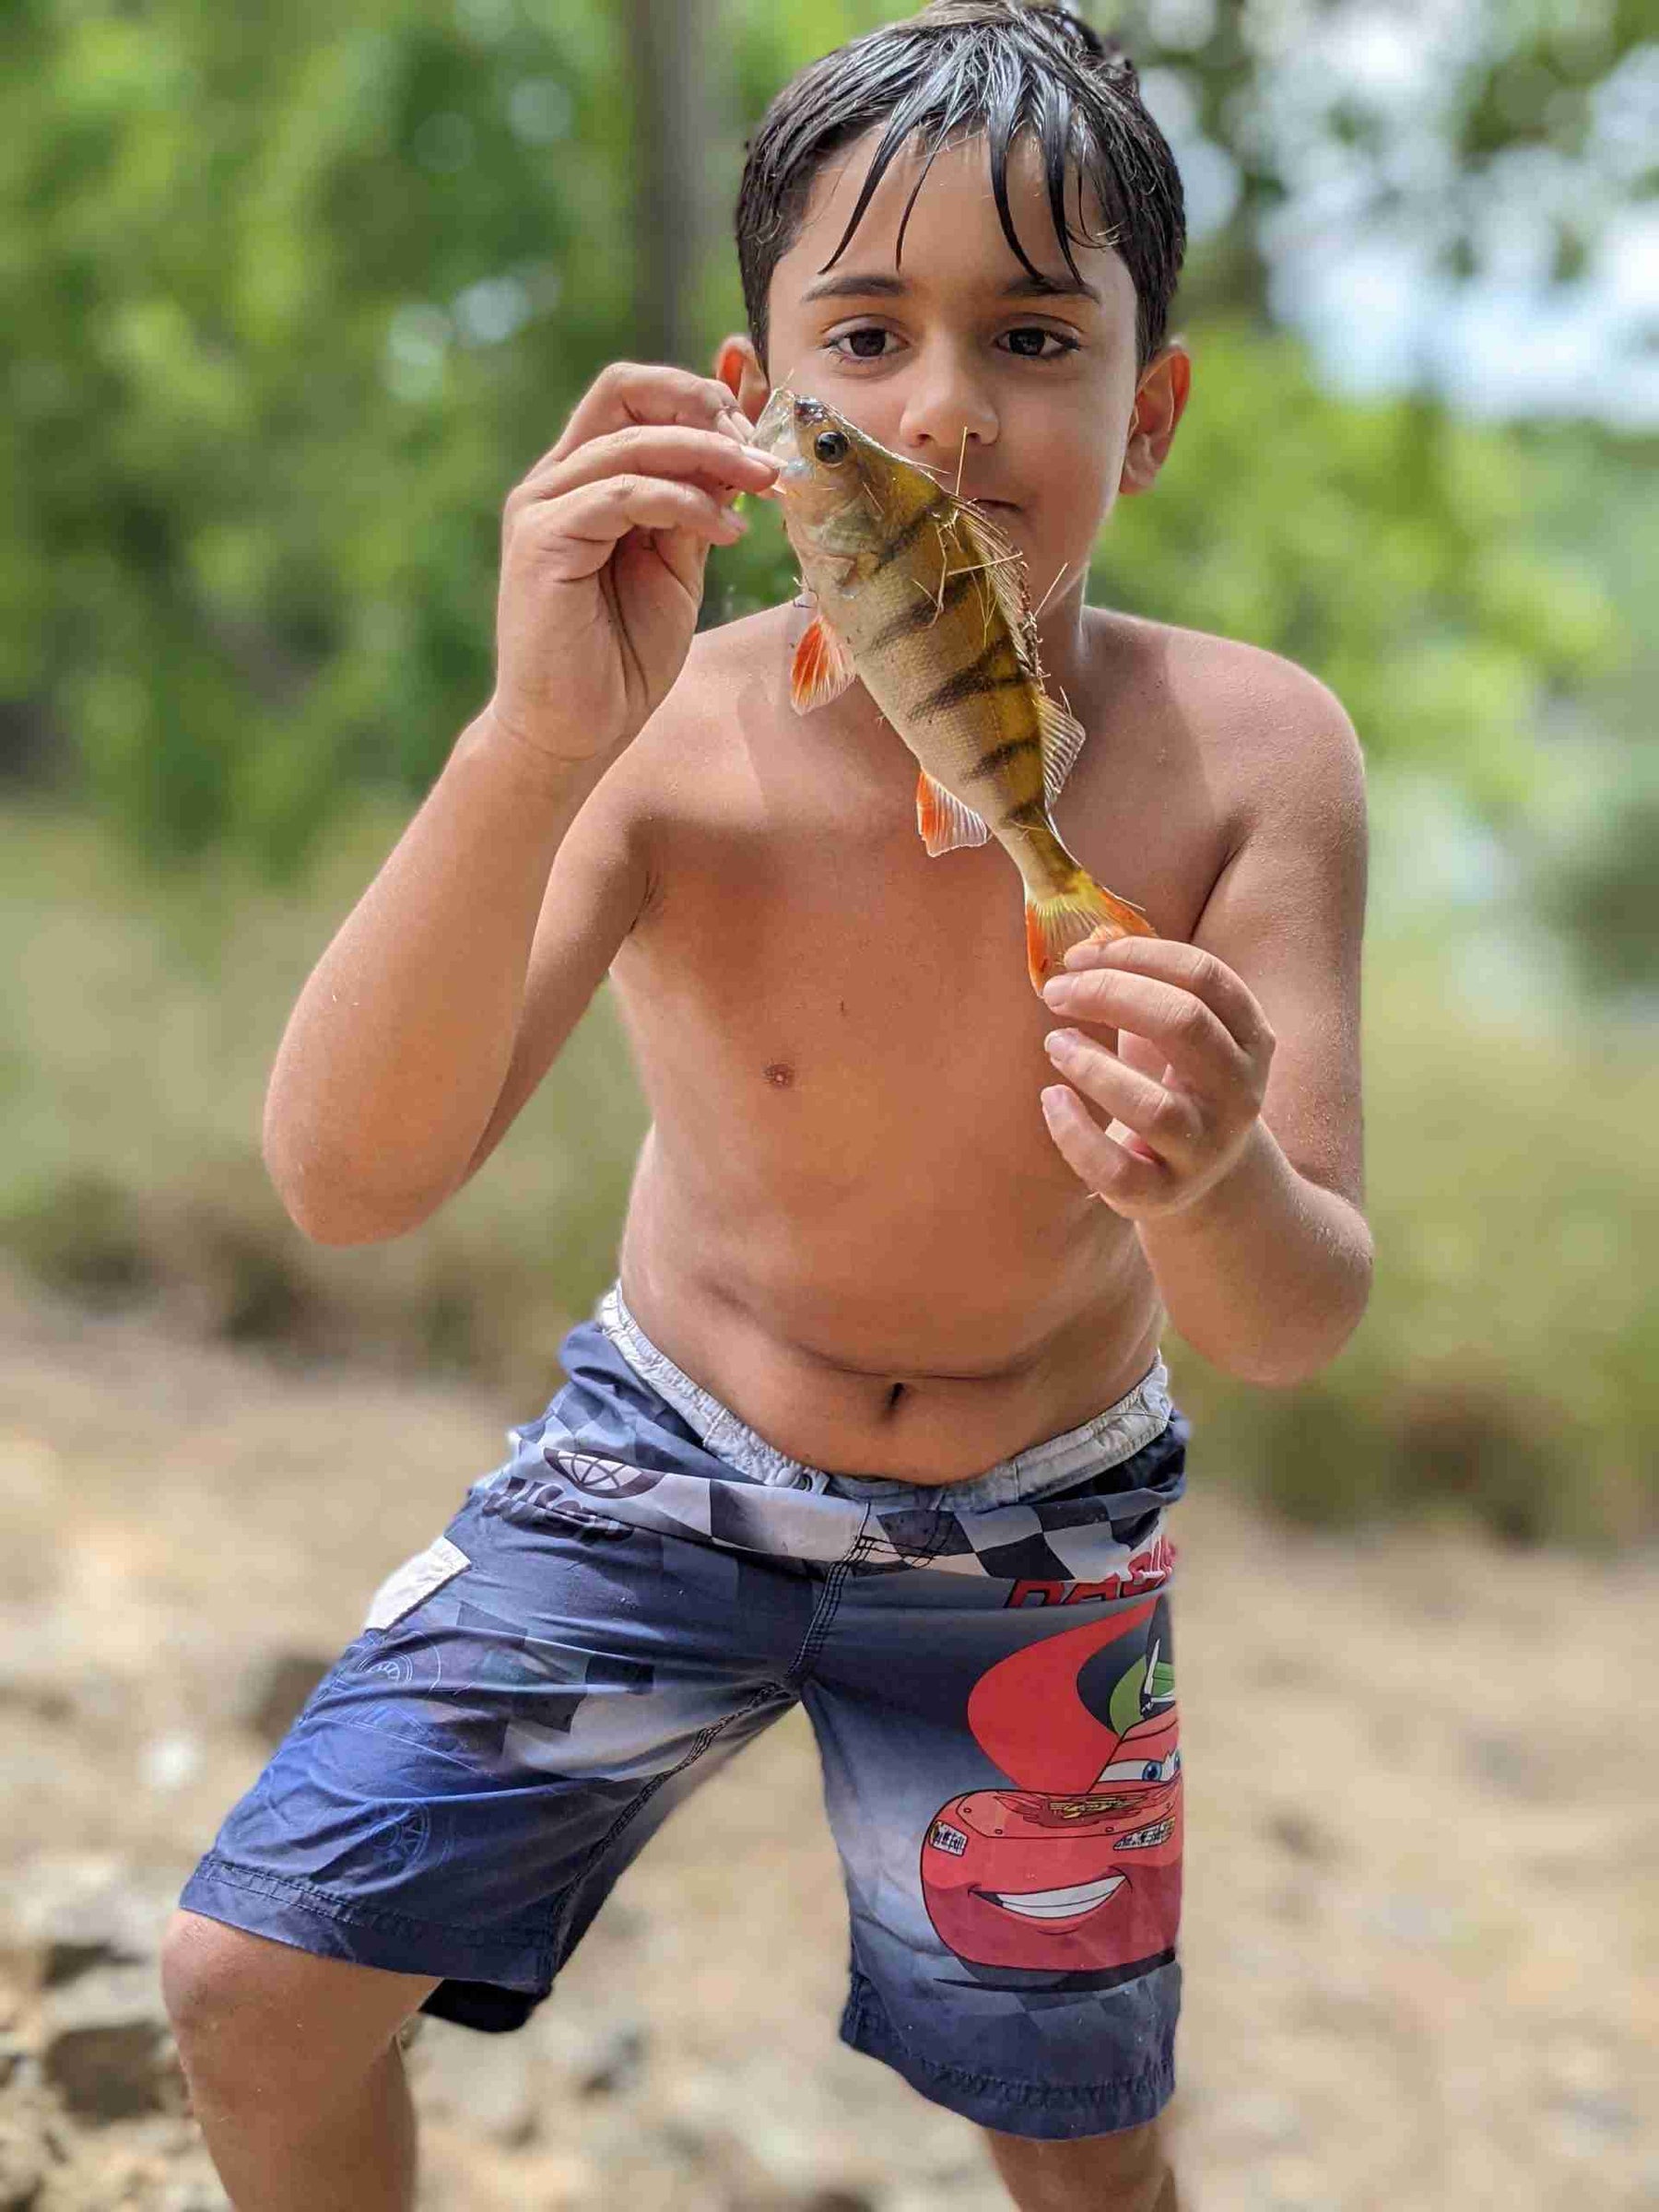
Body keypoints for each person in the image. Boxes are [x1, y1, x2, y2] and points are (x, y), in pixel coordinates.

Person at [160, 6, 1371, 2207]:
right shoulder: (660, 737)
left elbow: (1298, 1316)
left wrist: (1219, 1178)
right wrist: (533, 741)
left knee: (1081, 2150)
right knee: (250, 1992)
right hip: (661, 1475)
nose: (940, 412)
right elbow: (345, 1179)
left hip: (1041, 1535)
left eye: (1029, 335)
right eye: (865, 336)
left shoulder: (1256, 758)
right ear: (751, 407)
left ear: (1151, 406)